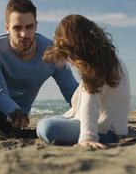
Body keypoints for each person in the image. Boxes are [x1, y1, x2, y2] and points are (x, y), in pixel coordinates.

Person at [0, 0, 78, 134]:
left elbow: (72, 91)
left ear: (36, 26)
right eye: (17, 28)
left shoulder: (53, 52)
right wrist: (13, 110)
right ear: (7, 28)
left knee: (3, 123)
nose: (24, 34)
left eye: (29, 27)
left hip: (18, 113)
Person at [36, 14, 131, 149]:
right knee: (49, 121)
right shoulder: (106, 57)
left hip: (105, 132)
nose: (70, 60)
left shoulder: (97, 67)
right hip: (106, 126)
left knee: (46, 127)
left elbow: (90, 101)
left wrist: (88, 137)